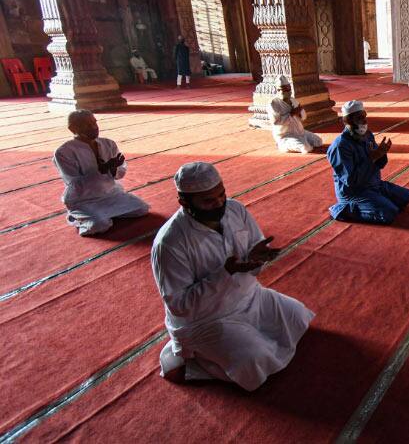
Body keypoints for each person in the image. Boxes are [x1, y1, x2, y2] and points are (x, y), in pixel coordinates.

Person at [151, 161, 315, 391]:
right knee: (255, 359)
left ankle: (230, 349)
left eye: (222, 195)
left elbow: (251, 252)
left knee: (299, 317)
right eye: (208, 200)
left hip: (248, 296)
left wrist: (256, 257)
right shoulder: (170, 242)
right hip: (207, 319)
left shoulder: (236, 210)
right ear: (184, 202)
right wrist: (225, 274)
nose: (219, 203)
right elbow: (180, 305)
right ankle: (192, 364)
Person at [53, 110, 150, 236]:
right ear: (72, 129)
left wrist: (113, 169)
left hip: (110, 194)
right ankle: (78, 215)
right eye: (86, 125)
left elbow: (121, 171)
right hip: (83, 199)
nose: (93, 127)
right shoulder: (64, 152)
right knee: (100, 225)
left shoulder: (108, 144)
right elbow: (74, 183)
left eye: (94, 122)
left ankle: (104, 214)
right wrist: (100, 170)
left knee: (141, 208)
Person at [326, 100, 409, 224]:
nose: (365, 121)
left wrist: (381, 154)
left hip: (373, 184)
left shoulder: (367, 135)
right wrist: (373, 157)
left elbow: (380, 165)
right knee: (389, 213)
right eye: (359, 118)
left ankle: (376, 200)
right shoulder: (340, 146)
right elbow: (350, 181)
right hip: (354, 192)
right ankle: (343, 209)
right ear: (347, 121)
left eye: (365, 117)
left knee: (405, 198)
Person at [267, 75, 323, 153]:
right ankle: (282, 145)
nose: (288, 92)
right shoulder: (273, 104)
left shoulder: (293, 100)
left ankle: (301, 141)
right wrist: (292, 114)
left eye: (289, 89)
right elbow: (276, 122)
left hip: (300, 132)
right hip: (285, 135)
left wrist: (300, 113)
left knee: (318, 141)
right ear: (278, 90)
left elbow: (303, 117)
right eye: (285, 90)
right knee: (306, 148)